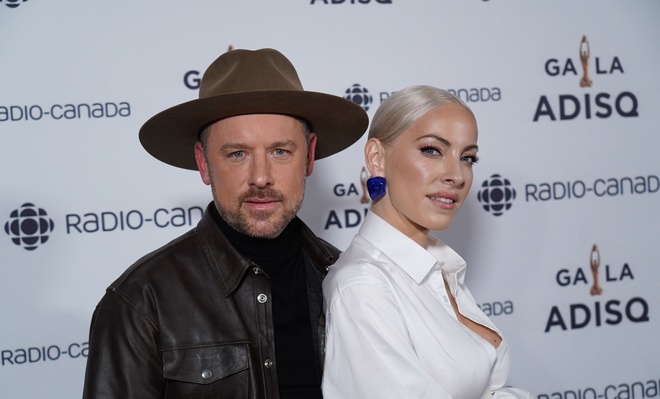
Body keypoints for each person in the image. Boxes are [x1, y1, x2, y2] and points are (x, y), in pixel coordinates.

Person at [82, 48, 368, 399]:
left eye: (280, 151)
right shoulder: (141, 303)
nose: (261, 177)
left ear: (308, 156)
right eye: (237, 154)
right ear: (203, 164)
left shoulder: (351, 281)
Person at [322, 85, 532, 398]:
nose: (457, 175)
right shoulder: (363, 287)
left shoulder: (440, 268)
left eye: (468, 157)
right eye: (432, 150)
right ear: (377, 158)